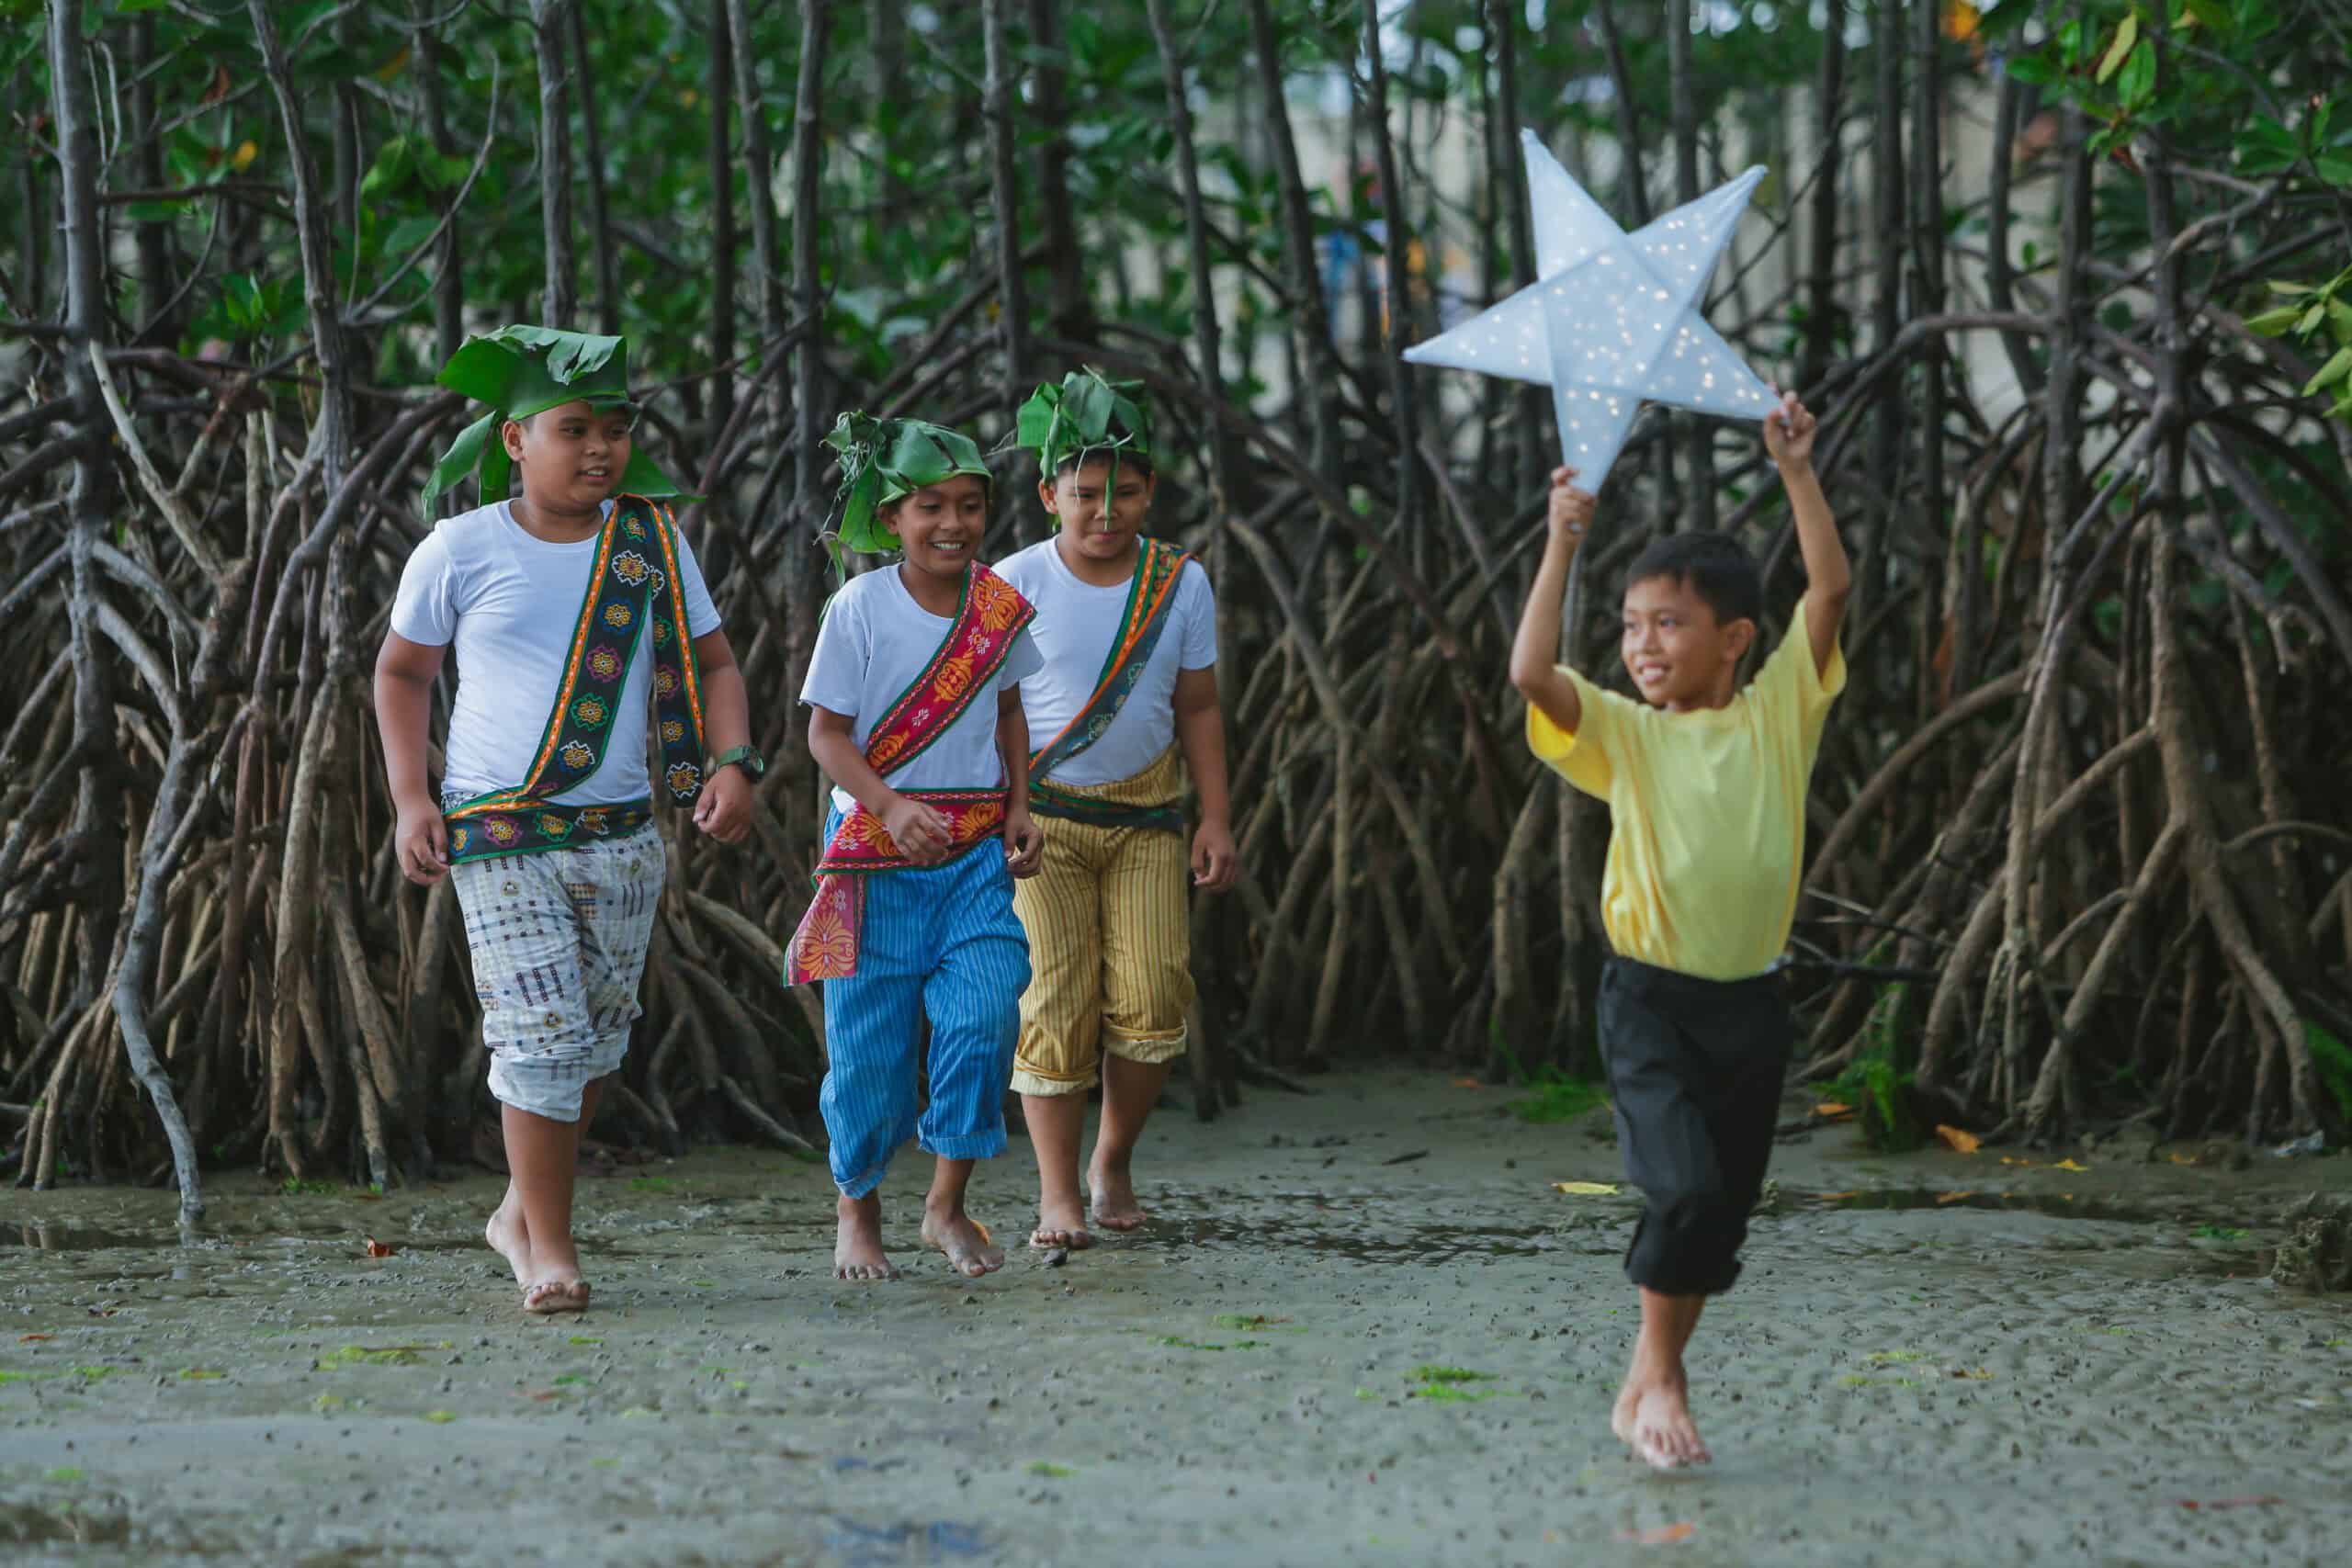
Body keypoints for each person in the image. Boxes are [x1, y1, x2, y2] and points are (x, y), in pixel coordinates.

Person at [376, 325, 760, 1314]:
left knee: (596, 1045)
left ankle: (517, 1208)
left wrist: (730, 760)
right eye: (573, 428)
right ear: (515, 439)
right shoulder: (459, 548)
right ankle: (549, 1245)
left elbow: (715, 662)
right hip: (500, 839)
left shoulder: (651, 543)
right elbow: (403, 673)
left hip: (623, 838)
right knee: (540, 1042)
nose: (599, 449)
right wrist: (412, 798)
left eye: (616, 429)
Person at [1507, 389, 1847, 1470]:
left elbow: (1828, 587)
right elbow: (1528, 672)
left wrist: (1795, 468)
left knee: (1719, 1216)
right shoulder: (1622, 732)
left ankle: (1658, 1371)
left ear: (1734, 639)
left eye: (1668, 624)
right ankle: (1654, 1377)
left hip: (1753, 1003)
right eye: (1630, 626)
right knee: (1684, 1189)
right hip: (1648, 1000)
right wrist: (1563, 543)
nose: (1642, 646)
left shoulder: (1778, 710)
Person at [787, 412, 1046, 1281]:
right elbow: (826, 737)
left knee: (985, 1013)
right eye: (930, 505)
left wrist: (1021, 802)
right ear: (890, 515)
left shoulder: (1000, 611)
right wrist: (890, 805)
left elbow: (1009, 710)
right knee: (868, 1056)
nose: (953, 523)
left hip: (974, 856)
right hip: (872, 861)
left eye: (970, 505)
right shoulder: (856, 608)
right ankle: (856, 1207)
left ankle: (945, 1203)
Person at [993, 370, 1238, 1251]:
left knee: (1153, 994)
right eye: (1085, 493)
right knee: (1052, 999)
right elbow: (992, 710)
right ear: (1048, 491)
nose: (1105, 512)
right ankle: (1058, 1193)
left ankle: (1113, 1159)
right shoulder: (1010, 581)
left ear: (1150, 493)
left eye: (1124, 493)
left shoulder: (1182, 584)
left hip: (1147, 819)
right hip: (1042, 822)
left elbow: (1199, 708)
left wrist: (1215, 816)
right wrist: (1004, 808)